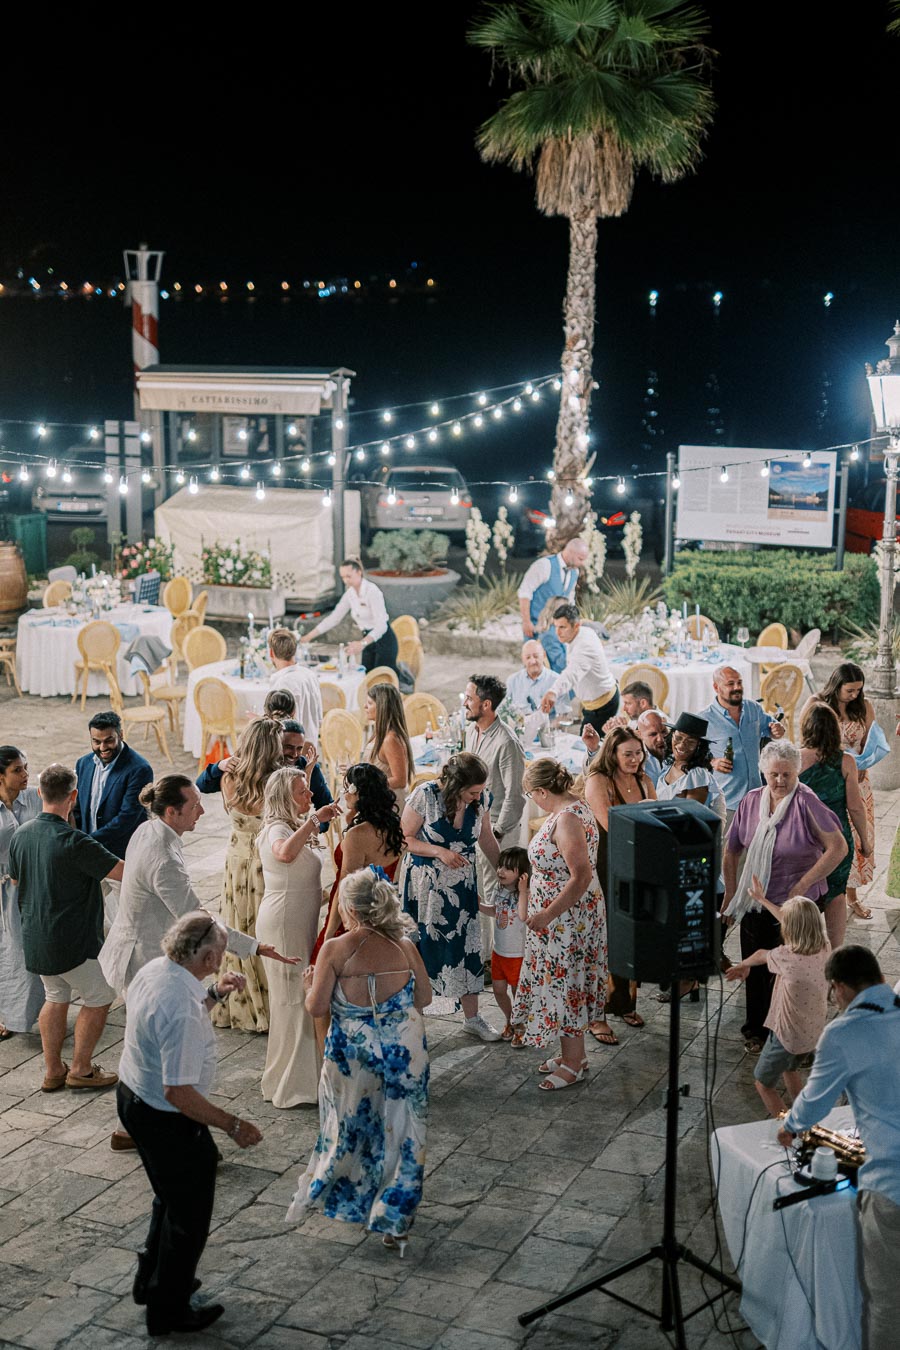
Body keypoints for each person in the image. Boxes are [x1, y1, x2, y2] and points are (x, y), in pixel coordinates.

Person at [117, 912, 263, 1336]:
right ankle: (168, 1310)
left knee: (169, 1198)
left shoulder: (158, 970)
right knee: (189, 1215)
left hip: (133, 1095)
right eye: (219, 952)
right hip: (163, 1116)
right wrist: (232, 1124)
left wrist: (214, 993)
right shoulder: (181, 1009)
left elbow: (170, 1019)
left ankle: (152, 1281)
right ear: (210, 955)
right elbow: (177, 1093)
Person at [288, 868, 431, 1257]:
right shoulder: (404, 945)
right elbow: (424, 998)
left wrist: (308, 985)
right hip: (406, 1053)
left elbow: (317, 1006)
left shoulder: (335, 949)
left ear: (350, 908)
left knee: (353, 1126)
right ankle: (395, 1217)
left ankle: (355, 1198)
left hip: (354, 1057)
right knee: (404, 1131)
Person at [777, 945, 900, 1350]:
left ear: (840, 988)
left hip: (891, 1185)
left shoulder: (845, 1032)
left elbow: (815, 1101)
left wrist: (791, 1127)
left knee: (888, 1303)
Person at [722, 741, 848, 1053]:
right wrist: (730, 893)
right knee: (757, 965)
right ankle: (757, 1031)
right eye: (774, 774)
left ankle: (794, 1036)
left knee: (793, 974)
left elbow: (839, 848)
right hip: (758, 897)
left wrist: (802, 884)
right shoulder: (751, 801)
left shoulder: (807, 802)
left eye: (787, 775)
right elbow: (732, 849)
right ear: (764, 772)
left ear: (797, 773)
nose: (780, 781)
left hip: (798, 905)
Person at [9, 764, 123, 1092]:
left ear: (41, 794)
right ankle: (82, 1069)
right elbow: (121, 872)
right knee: (100, 997)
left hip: (36, 937)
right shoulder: (75, 841)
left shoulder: (22, 834)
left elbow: (16, 879)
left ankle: (52, 1070)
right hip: (73, 940)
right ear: (73, 796)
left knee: (55, 995)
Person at [512, 758, 605, 1089]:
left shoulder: (566, 820)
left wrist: (547, 913)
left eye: (530, 794)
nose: (532, 800)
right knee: (563, 981)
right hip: (566, 915)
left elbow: (581, 876)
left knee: (567, 983)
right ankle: (572, 1053)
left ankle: (574, 1062)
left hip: (567, 919)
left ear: (540, 791)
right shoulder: (572, 808)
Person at [400, 752, 502, 1040]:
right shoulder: (426, 795)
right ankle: (413, 1024)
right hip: (425, 887)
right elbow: (404, 838)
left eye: (480, 791)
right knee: (423, 949)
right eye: (472, 792)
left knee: (466, 947)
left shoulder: (481, 800)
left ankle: (473, 1018)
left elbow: (486, 838)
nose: (477, 797)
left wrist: (504, 871)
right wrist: (440, 852)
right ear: (456, 785)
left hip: (462, 886)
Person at [257, 768, 341, 1109]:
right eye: (302, 792)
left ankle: (298, 1077)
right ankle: (294, 1086)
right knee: (293, 999)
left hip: (299, 918)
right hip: (282, 923)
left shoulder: (294, 825)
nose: (309, 797)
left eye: (307, 791)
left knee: (300, 994)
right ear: (283, 796)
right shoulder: (277, 829)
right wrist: (314, 821)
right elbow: (283, 854)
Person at [726, 887, 829, 1118]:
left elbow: (762, 953)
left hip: (785, 1036)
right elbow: (791, 919)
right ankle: (807, 1116)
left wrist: (744, 965)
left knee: (763, 1084)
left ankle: (792, 1130)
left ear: (789, 929)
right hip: (810, 1033)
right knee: (790, 1070)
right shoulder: (824, 948)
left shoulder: (787, 957)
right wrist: (763, 899)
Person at [212, 718, 285, 1033]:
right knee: (267, 930)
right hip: (264, 863)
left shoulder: (229, 777)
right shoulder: (276, 783)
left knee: (239, 926)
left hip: (236, 861)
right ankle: (271, 1005)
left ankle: (241, 1003)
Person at [584, 727, 656, 1039]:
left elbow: (656, 817)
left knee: (632, 933)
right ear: (612, 753)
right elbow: (610, 824)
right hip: (605, 864)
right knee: (604, 936)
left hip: (636, 863)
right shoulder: (598, 781)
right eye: (627, 753)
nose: (634, 759)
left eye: (638, 753)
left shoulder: (644, 779)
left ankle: (625, 1002)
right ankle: (596, 1014)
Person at [464, 673, 526, 966]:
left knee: (494, 894)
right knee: (478, 891)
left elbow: (516, 795)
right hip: (474, 827)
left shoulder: (506, 742)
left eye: (470, 698)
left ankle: (492, 961)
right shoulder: (471, 732)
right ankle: (481, 953)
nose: (465, 702)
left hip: (498, 831)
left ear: (486, 704)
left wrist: (497, 833)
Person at [806, 662, 877, 921]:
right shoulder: (817, 703)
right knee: (829, 838)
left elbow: (870, 742)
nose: (855, 695)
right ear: (836, 686)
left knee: (858, 837)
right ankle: (819, 893)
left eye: (858, 690)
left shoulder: (864, 707)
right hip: (828, 780)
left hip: (858, 780)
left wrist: (864, 762)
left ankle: (852, 897)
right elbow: (805, 739)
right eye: (850, 690)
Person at [313, 762, 405, 959]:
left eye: (347, 789)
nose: (344, 794)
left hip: (354, 914)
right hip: (382, 910)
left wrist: (329, 935)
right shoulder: (395, 826)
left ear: (360, 794)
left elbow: (345, 888)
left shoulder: (358, 835)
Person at [799, 701, 871, 950]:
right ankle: (834, 954)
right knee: (836, 896)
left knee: (802, 894)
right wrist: (866, 841)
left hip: (804, 839)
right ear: (834, 729)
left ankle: (804, 952)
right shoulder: (846, 761)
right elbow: (855, 807)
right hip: (838, 839)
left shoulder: (795, 759)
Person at [196, 718, 333, 824]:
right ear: (272, 748)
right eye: (286, 747)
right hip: (271, 854)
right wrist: (306, 776)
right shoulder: (276, 783)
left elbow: (326, 805)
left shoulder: (229, 777)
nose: (295, 754)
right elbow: (298, 820)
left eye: (299, 748)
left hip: (237, 853)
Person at [700, 666, 786, 827]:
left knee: (755, 849)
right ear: (716, 687)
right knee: (726, 851)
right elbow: (690, 756)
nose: (737, 687)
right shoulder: (705, 719)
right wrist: (712, 762)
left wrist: (777, 729)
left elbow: (771, 727)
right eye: (730, 684)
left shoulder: (753, 708)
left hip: (756, 798)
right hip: (727, 802)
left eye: (739, 682)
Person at [0, 746, 44, 1040]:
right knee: (7, 950)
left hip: (32, 885)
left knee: (28, 950)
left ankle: (30, 1011)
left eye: (26, 767)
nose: (26, 775)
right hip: (4, 887)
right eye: (17, 770)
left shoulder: (33, 799)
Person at [73, 710, 154, 858]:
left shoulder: (139, 769)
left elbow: (127, 817)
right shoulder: (83, 764)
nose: (103, 748)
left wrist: (88, 841)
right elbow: (77, 808)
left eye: (109, 740)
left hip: (123, 854)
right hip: (88, 852)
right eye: (96, 742)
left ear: (121, 735)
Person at [300, 556, 399, 674]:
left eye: (349, 576)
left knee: (381, 682)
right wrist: (308, 637)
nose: (346, 581)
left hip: (383, 641)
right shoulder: (350, 594)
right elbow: (334, 618)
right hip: (367, 641)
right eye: (343, 577)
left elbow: (382, 625)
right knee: (366, 678)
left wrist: (362, 643)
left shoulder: (372, 591)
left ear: (359, 572)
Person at [540, 603, 619, 735]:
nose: (557, 632)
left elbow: (571, 674)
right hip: (592, 704)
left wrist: (553, 692)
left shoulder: (585, 646)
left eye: (562, 627)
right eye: (556, 626)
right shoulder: (578, 634)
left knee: (590, 749)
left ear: (576, 626)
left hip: (603, 706)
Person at [478, 846, 529, 1045]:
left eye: (508, 868)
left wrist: (523, 891)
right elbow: (495, 911)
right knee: (499, 990)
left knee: (518, 993)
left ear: (522, 873)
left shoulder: (526, 894)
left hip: (517, 954)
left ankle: (521, 1025)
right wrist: (480, 905)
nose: (500, 871)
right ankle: (511, 1020)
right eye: (500, 866)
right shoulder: (498, 889)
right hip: (498, 952)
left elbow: (523, 916)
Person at [517, 537, 589, 672]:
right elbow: (524, 593)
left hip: (557, 627)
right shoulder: (545, 566)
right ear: (571, 553)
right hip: (537, 626)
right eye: (580, 558)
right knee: (533, 664)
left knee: (559, 662)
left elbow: (570, 599)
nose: (582, 563)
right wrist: (526, 622)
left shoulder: (574, 572)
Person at [654, 712, 725, 821]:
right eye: (678, 738)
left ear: (699, 746)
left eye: (690, 742)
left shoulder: (697, 774)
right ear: (671, 735)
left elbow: (691, 818)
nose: (682, 745)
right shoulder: (668, 765)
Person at [267, 626, 323, 747]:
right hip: (311, 748)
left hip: (290, 752)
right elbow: (319, 719)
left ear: (271, 652)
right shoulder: (310, 675)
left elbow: (279, 727)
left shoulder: (281, 684)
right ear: (294, 650)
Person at [362, 683, 414, 808]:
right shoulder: (379, 731)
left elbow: (400, 780)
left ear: (381, 707)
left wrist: (367, 784)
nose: (365, 707)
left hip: (390, 804)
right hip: (378, 798)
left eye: (369, 703)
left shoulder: (390, 740)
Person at [503, 640, 557, 711]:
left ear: (544, 655)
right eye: (528, 657)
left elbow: (563, 715)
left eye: (536, 656)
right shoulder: (512, 681)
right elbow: (504, 711)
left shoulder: (557, 681)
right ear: (522, 658)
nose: (532, 661)